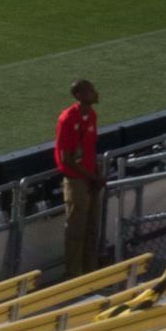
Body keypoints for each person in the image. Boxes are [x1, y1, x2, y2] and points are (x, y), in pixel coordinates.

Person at [56, 79, 102, 277]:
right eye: (90, 91)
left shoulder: (91, 115)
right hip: (76, 180)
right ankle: (74, 275)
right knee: (76, 230)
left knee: (92, 227)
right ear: (79, 95)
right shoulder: (67, 119)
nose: (95, 93)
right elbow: (68, 159)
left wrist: (96, 174)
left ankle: (90, 271)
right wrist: (92, 177)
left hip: (90, 178)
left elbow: (90, 149)